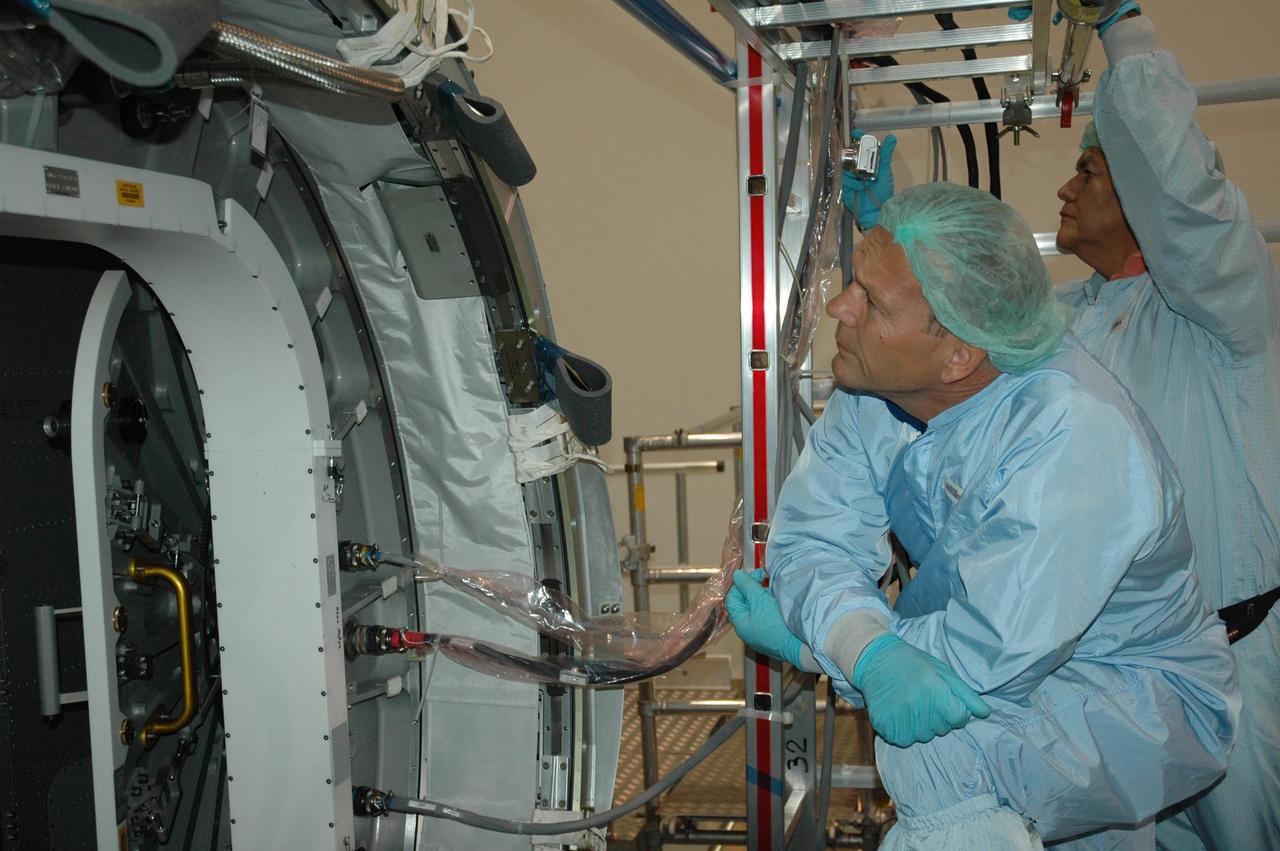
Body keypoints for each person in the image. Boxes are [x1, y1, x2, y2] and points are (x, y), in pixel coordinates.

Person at [726, 181, 1239, 850]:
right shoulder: (874, 388)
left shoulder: (1073, 440)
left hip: (1131, 697)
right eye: (853, 281)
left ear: (960, 353)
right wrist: (865, 642)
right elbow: (812, 539)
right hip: (1012, 667)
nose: (836, 306)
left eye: (870, 301)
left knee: (935, 754)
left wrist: (821, 644)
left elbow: (970, 671)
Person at [1053, 10, 1280, 848]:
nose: (1064, 193)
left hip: (1234, 670)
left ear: (1140, 189)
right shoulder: (1070, 324)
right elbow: (957, 345)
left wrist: (1127, 39)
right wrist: (880, 230)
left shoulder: (1224, 306)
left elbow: (1187, 200)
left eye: (1088, 172)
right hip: (1107, 683)